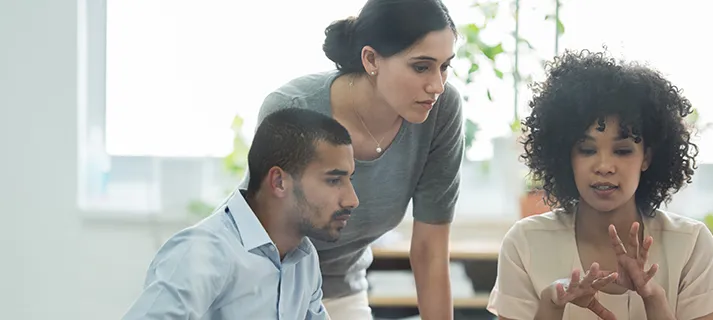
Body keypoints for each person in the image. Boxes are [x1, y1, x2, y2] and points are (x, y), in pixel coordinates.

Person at [242, 0, 464, 319]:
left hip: (341, 290)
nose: (437, 86)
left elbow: (430, 249)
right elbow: (264, 238)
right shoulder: (292, 108)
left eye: (445, 66)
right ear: (371, 59)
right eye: (421, 66)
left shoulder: (441, 112)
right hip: (262, 282)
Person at [486, 49, 713, 320]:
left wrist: (654, 299)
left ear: (647, 158)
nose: (604, 166)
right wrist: (551, 305)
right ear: (565, 156)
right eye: (587, 150)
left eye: (622, 151)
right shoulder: (525, 243)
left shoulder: (691, 245)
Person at [122, 108, 359, 319]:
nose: (352, 199)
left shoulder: (303, 259)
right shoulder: (203, 253)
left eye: (349, 180)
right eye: (334, 180)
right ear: (279, 182)